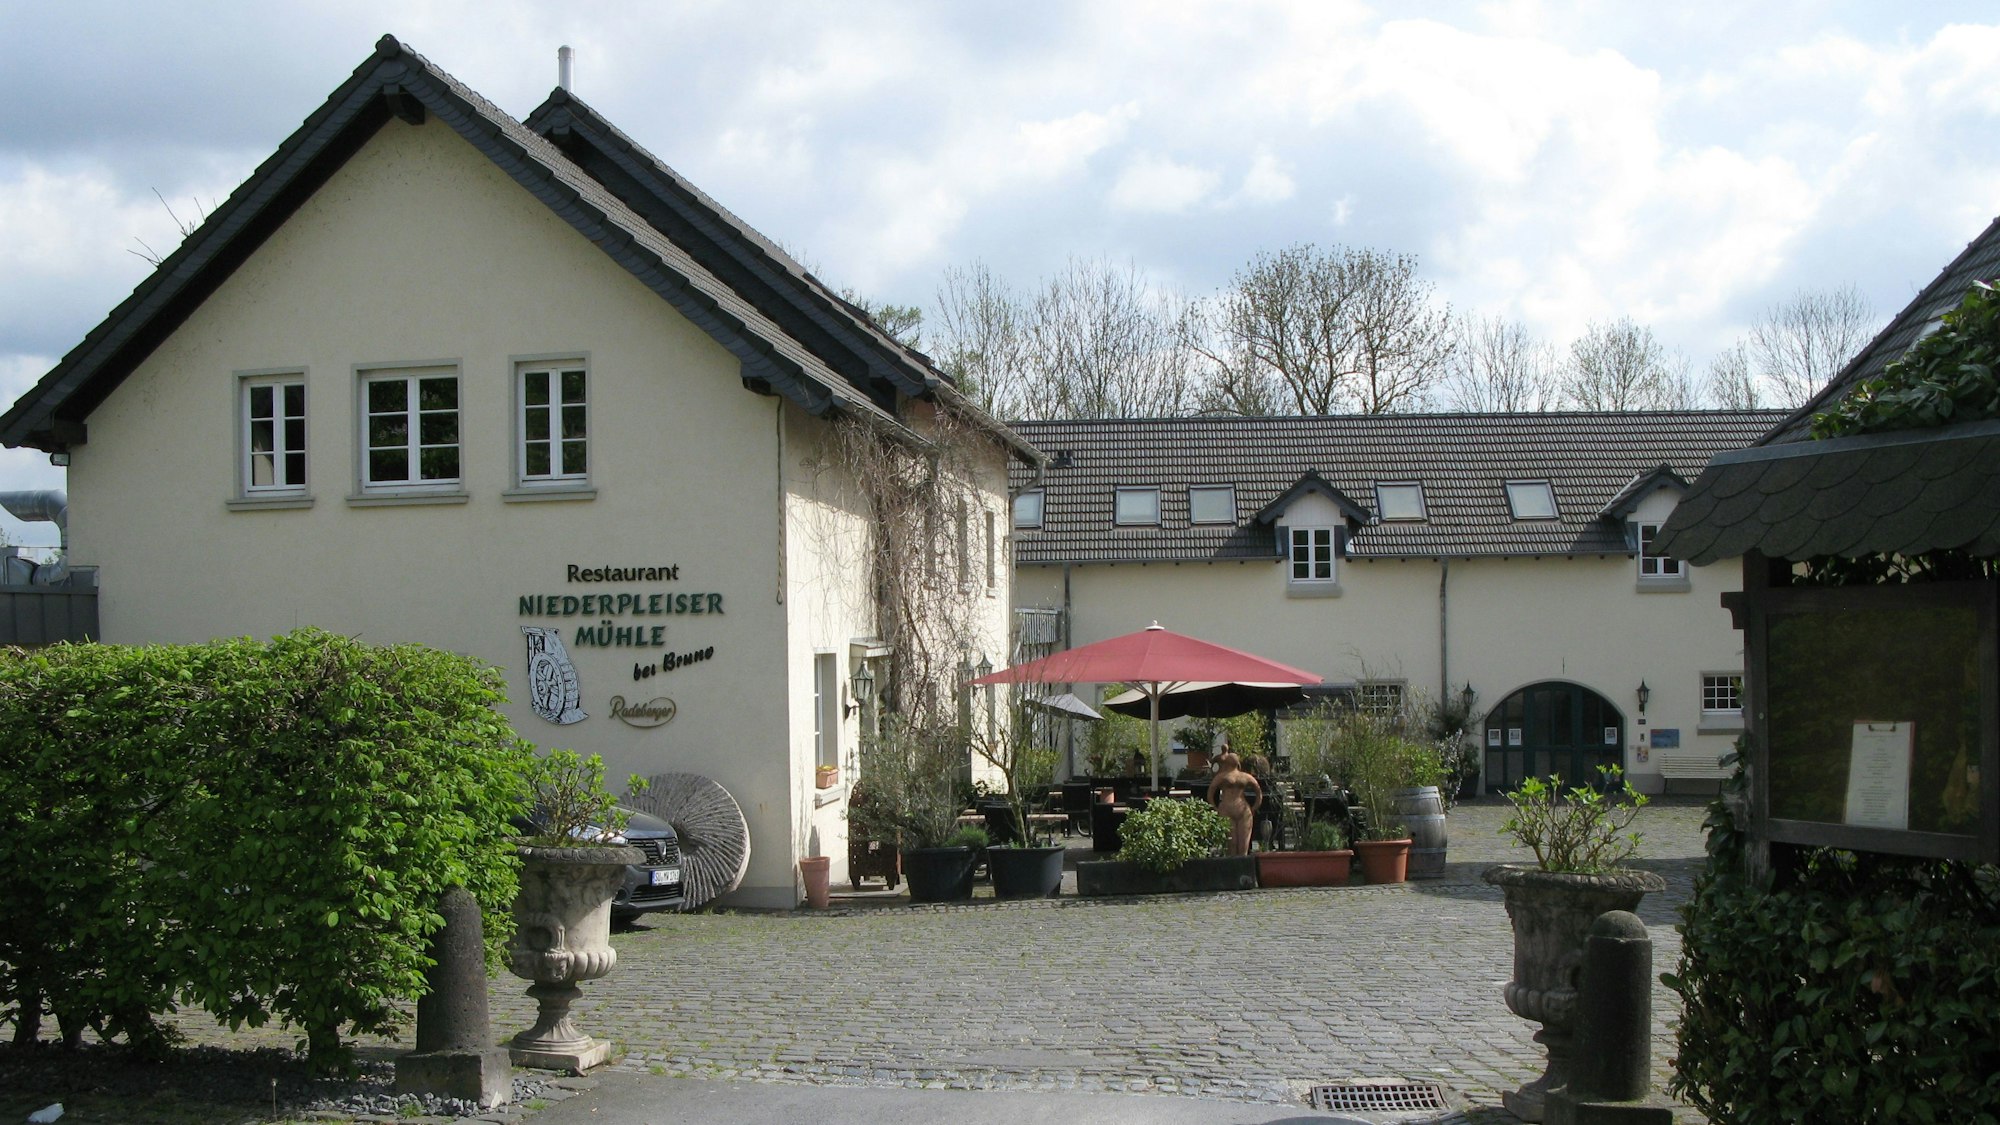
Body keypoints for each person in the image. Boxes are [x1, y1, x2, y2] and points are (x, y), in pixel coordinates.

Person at [1205, 750, 1263, 857]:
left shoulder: (1244, 776)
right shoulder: (1222, 776)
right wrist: (1216, 808)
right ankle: (1233, 869)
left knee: (1243, 845)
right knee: (1231, 844)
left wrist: (1254, 808)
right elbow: (1210, 793)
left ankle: (1243, 870)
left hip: (1243, 811)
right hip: (1227, 810)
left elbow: (1258, 791)